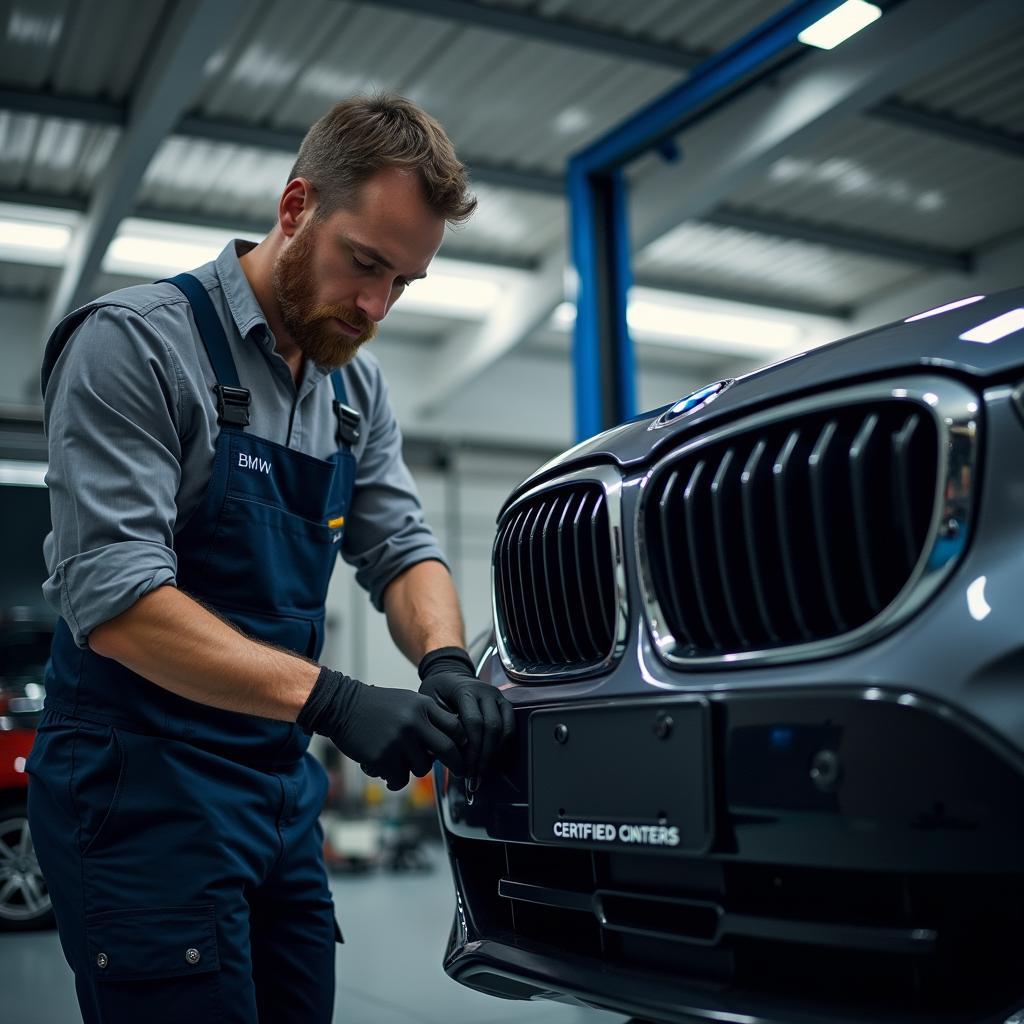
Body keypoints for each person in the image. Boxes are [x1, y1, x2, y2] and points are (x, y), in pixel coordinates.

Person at [27, 94, 514, 1024]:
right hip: (139, 791)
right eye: (364, 263)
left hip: (276, 796)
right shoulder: (135, 345)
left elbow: (404, 548)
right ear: (296, 209)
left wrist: (445, 661)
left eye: (403, 282)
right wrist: (335, 700)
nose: (374, 306)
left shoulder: (352, 391)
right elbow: (116, 597)